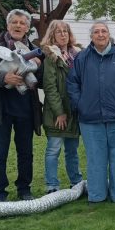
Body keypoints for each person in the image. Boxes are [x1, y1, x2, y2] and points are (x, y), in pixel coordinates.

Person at [67, 21, 115, 204]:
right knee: (96, 159)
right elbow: (73, 84)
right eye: (96, 32)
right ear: (91, 36)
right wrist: (80, 104)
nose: (100, 34)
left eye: (103, 31)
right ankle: (97, 196)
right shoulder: (82, 58)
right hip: (90, 119)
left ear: (109, 34)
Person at [0, 9, 43, 201]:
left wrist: (38, 65)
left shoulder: (34, 49)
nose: (18, 26)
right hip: (0, 108)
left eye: (22, 23)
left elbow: (40, 81)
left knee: (25, 152)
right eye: (14, 22)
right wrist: (4, 77)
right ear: (7, 25)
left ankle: (24, 189)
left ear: (27, 27)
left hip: (26, 108)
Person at [41, 20, 83, 193]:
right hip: (56, 113)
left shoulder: (77, 54)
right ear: (52, 35)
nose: (63, 34)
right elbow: (50, 88)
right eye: (58, 32)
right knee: (53, 150)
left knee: (72, 150)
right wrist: (60, 113)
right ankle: (52, 185)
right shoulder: (51, 56)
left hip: (74, 111)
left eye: (65, 31)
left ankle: (76, 181)